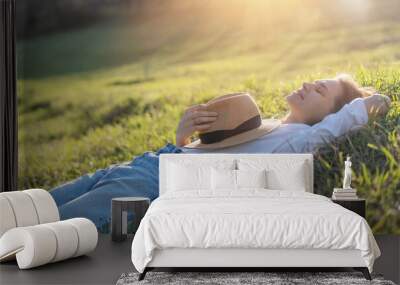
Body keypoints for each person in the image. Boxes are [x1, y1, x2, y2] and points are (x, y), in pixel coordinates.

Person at [49, 74, 391, 231]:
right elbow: (202, 156)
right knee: (33, 204)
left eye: (320, 90)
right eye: (313, 80)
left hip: (148, 185)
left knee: (47, 232)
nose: (306, 85)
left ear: (330, 115)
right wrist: (184, 136)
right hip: (142, 165)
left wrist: (360, 107)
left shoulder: (297, 140)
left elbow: (338, 126)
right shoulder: (266, 125)